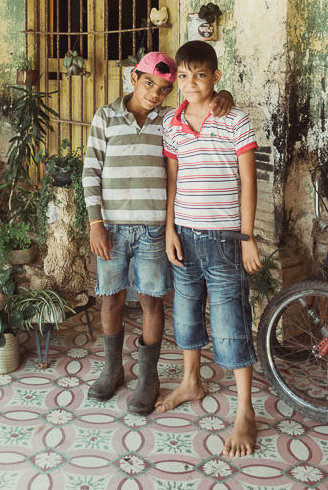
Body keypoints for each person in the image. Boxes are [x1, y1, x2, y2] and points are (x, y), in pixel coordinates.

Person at [83, 51, 232, 415]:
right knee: (111, 298)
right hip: (112, 229)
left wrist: (223, 97)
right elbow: (91, 172)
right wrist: (95, 223)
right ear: (134, 79)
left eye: (166, 88)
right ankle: (112, 368)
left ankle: (147, 377)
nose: (156, 93)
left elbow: (203, 107)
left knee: (151, 300)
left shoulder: (170, 121)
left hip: (152, 230)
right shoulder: (105, 117)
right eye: (150, 83)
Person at [156, 40, 261, 458]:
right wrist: (169, 229)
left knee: (231, 320)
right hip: (184, 233)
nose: (190, 84)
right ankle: (191, 380)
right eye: (183, 76)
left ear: (216, 77)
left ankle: (246, 411)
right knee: (184, 313)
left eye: (200, 75)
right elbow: (173, 181)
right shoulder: (171, 124)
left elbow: (249, 181)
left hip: (224, 240)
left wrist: (248, 237)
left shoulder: (235, 120)